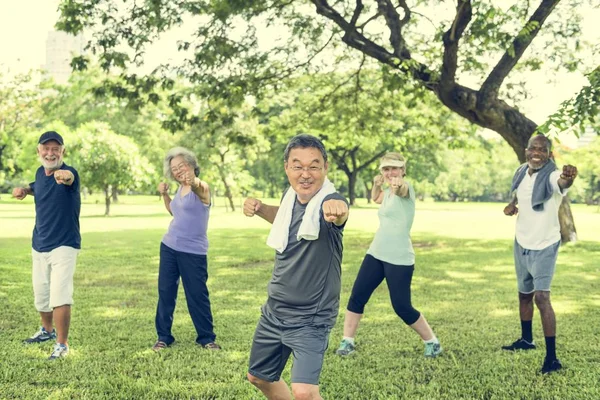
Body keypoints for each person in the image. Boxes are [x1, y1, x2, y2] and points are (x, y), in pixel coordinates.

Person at [243, 134, 349, 400]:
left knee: (304, 392)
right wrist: (259, 208)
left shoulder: (329, 201)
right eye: (297, 166)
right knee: (258, 377)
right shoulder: (290, 199)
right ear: (286, 168)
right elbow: (283, 217)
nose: (305, 174)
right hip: (274, 311)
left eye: (314, 166)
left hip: (310, 318)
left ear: (325, 168)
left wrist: (339, 209)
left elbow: (338, 212)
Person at [335, 152, 442, 359]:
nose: (390, 172)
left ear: (402, 170)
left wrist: (396, 185)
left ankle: (432, 342)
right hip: (376, 253)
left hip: (399, 258)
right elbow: (376, 198)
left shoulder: (406, 188)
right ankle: (347, 341)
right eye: (386, 169)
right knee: (357, 296)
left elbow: (401, 189)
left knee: (402, 307)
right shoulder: (387, 193)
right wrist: (377, 185)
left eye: (394, 168)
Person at [502, 134, 577, 374]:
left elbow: (562, 184)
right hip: (521, 242)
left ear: (548, 154)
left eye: (542, 149)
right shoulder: (522, 172)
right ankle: (526, 340)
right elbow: (520, 194)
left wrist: (568, 178)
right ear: (526, 151)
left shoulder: (553, 175)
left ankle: (552, 359)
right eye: (532, 148)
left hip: (544, 245)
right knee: (524, 295)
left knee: (541, 298)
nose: (536, 152)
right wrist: (513, 205)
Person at [12, 131, 81, 360]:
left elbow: (67, 177)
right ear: (39, 151)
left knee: (59, 294)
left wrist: (64, 175)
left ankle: (62, 344)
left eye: (56, 149)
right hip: (39, 243)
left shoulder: (69, 174)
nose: (50, 153)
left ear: (63, 151)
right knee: (41, 294)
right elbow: (38, 186)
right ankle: (47, 331)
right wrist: (25, 190)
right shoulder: (40, 174)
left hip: (64, 244)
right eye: (46, 148)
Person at [152, 147, 220, 351]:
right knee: (166, 292)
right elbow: (174, 211)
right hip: (169, 247)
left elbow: (200, 187)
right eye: (174, 168)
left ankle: (206, 338)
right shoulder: (179, 190)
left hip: (193, 252)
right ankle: (163, 337)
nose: (178, 170)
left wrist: (194, 181)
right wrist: (164, 195)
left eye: (182, 165)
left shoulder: (203, 189)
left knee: (197, 294)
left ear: (191, 165)